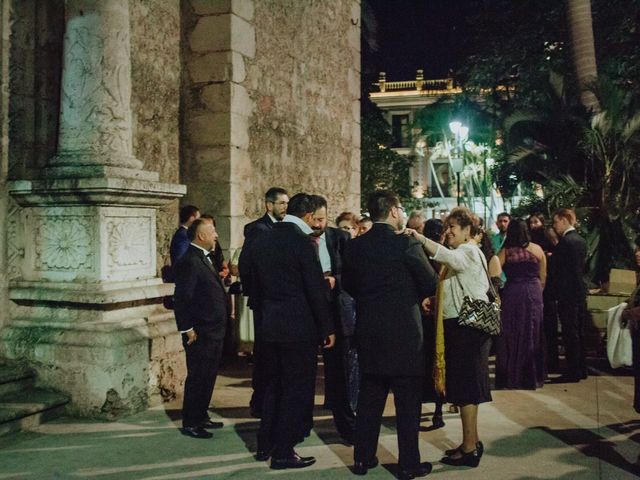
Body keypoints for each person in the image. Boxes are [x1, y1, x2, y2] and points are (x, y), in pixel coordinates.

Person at [343, 190, 437, 479]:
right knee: (408, 401)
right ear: (394, 211)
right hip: (405, 332)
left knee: (371, 396)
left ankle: (362, 458)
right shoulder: (406, 244)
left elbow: (348, 284)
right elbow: (429, 281)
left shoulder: (356, 247)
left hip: (370, 328)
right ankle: (408, 464)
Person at [240, 193, 335, 470]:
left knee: (272, 384)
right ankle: (283, 450)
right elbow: (314, 289)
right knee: (295, 389)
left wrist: (262, 304)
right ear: (307, 217)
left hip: (269, 324)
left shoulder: (260, 237)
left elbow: (247, 275)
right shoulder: (302, 242)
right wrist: (326, 326)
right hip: (298, 328)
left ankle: (265, 442)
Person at [408, 206, 492, 468]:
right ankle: (471, 441)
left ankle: (469, 449)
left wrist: (420, 238)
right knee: (466, 389)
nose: (448, 232)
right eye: (447, 227)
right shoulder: (465, 251)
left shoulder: (466, 251)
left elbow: (448, 259)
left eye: (453, 228)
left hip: (467, 327)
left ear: (467, 230)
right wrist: (436, 300)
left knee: (467, 390)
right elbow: (455, 286)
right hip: (463, 326)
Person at [173, 218, 227, 439]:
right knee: (198, 376)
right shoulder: (190, 261)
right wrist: (187, 329)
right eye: (213, 232)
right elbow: (183, 298)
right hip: (200, 331)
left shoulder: (204, 257)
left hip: (213, 329)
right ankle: (191, 422)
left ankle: (201, 414)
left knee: (208, 375)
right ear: (201, 236)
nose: (216, 235)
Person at [310, 195, 355, 445]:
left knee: (339, 371)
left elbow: (351, 271)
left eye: (322, 219)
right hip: (308, 311)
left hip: (336, 310)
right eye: (315, 219)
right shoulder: (300, 240)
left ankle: (346, 426)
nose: (319, 224)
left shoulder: (340, 238)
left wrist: (335, 279)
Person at [240, 187, 289, 418]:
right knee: (264, 353)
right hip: (266, 302)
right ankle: (260, 400)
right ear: (269, 205)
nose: (285, 208)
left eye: (287, 203)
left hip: (279, 303)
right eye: (281, 203)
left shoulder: (285, 228)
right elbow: (247, 265)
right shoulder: (258, 229)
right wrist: (257, 293)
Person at [495, 219, 547, 389]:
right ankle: (532, 376)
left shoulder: (506, 252)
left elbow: (494, 273)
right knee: (533, 331)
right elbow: (543, 277)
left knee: (512, 333)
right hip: (534, 292)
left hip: (513, 292)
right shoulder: (537, 250)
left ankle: (512, 376)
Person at [547, 208, 588, 383]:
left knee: (569, 332)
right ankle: (581, 368)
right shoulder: (581, 241)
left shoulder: (565, 242)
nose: (555, 226)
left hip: (567, 294)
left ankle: (573, 371)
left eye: (556, 222)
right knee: (579, 332)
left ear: (564, 220)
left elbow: (558, 269)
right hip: (579, 291)